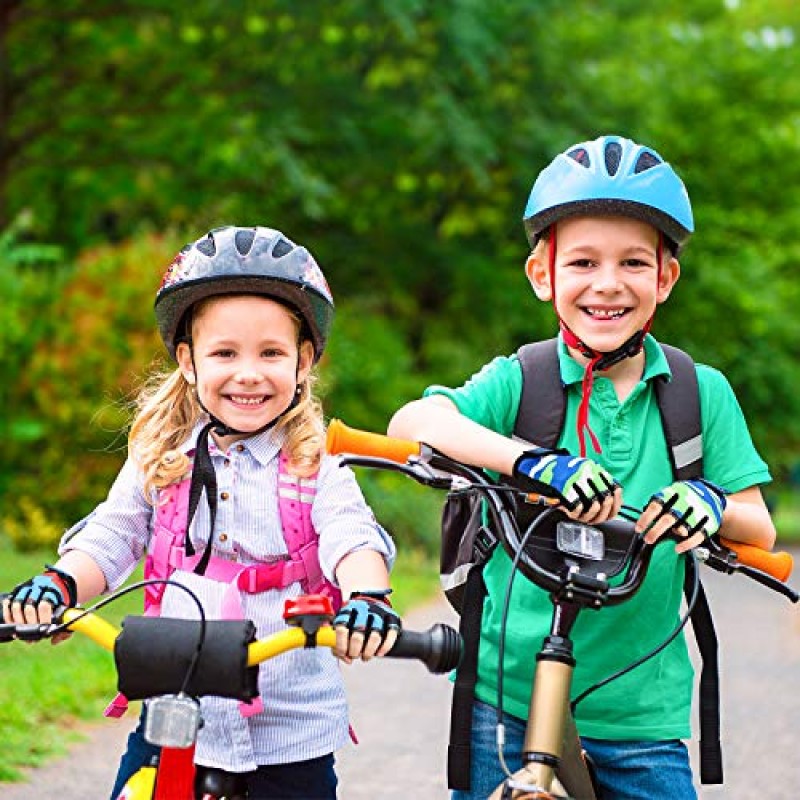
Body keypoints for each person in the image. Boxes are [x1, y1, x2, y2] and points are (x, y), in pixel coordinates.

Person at [388, 135, 776, 800]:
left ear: (664, 278)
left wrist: (710, 501)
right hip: (503, 691)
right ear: (544, 274)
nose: (607, 284)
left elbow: (758, 530)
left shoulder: (697, 392)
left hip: (639, 707)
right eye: (583, 262)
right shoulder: (523, 379)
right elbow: (414, 424)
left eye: (632, 262)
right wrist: (532, 462)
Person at [3, 225, 400, 800]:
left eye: (271, 353)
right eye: (224, 353)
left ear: (304, 361)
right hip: (173, 709)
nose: (248, 373)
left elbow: (351, 536)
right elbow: (112, 535)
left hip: (289, 730)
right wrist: (59, 585)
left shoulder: (316, 464)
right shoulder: (161, 456)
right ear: (188, 361)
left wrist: (367, 599)